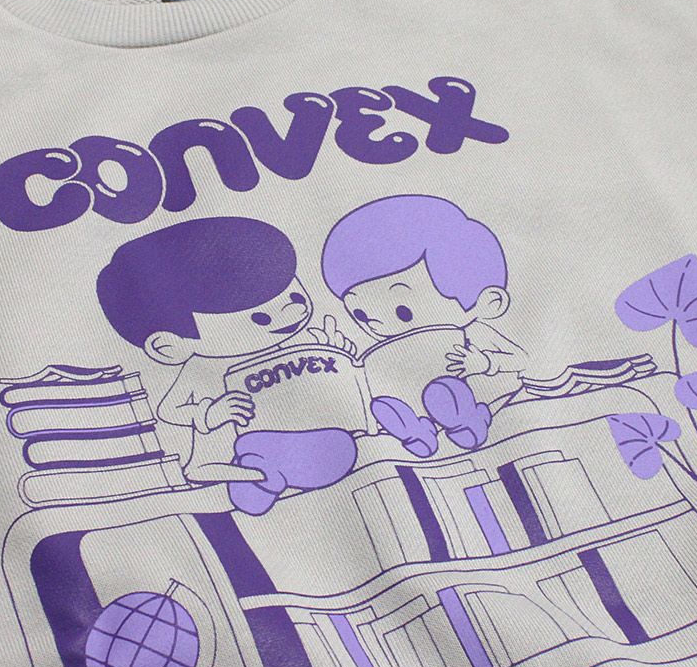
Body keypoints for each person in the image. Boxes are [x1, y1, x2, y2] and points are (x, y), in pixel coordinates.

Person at [97, 216, 356, 514]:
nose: (292, 312)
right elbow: (169, 410)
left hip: (281, 436)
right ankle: (249, 477)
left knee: (337, 442)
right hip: (222, 451)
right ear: (168, 347)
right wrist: (209, 414)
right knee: (229, 463)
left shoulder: (279, 348)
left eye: (295, 296)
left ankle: (271, 471)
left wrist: (334, 355)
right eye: (261, 318)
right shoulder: (198, 370)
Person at [321, 194, 526, 457]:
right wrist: (343, 359)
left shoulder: (473, 332)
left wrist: (485, 363)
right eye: (360, 314)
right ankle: (417, 432)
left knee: (448, 393)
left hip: (488, 397)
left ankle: (467, 421)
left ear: (488, 302)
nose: (375, 322)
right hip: (427, 404)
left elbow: (521, 359)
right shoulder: (391, 344)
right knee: (400, 401)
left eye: (403, 311)